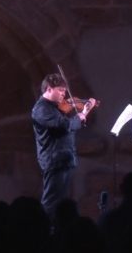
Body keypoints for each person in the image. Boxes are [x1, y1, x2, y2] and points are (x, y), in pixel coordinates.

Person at [31, 73, 96, 220]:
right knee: (50, 202)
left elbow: (68, 125)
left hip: (63, 160)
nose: (64, 94)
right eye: (60, 90)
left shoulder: (54, 108)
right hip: (54, 160)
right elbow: (65, 125)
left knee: (61, 203)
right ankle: (44, 231)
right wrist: (80, 116)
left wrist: (83, 113)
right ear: (48, 89)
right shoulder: (41, 109)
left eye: (64, 90)